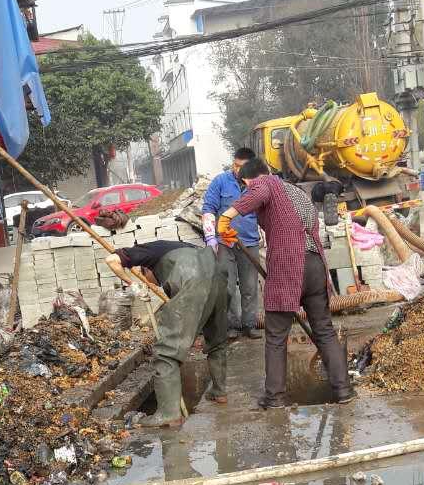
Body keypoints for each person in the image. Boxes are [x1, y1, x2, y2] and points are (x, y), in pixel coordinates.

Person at [215, 159, 355, 408]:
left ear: (249, 180)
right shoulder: (297, 192)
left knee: (276, 335)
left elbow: (259, 190)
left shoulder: (265, 183)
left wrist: (225, 218)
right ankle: (343, 391)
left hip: (289, 266)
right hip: (315, 264)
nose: (249, 190)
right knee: (324, 330)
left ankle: (275, 397)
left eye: (246, 186)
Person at [103, 238, 230, 428]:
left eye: (148, 279)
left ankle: (168, 414)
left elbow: (111, 260)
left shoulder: (147, 251)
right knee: (217, 341)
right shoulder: (182, 248)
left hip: (193, 279)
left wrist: (133, 285)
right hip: (220, 277)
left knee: (166, 352)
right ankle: (219, 392)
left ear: (147, 270)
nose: (155, 285)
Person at [202, 147, 262, 339]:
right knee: (227, 287)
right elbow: (208, 209)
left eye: (241, 166)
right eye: (234, 165)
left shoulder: (257, 184)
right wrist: (211, 237)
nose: (236, 169)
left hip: (250, 242)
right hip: (225, 244)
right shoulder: (220, 181)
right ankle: (231, 326)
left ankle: (249, 325)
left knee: (250, 287)